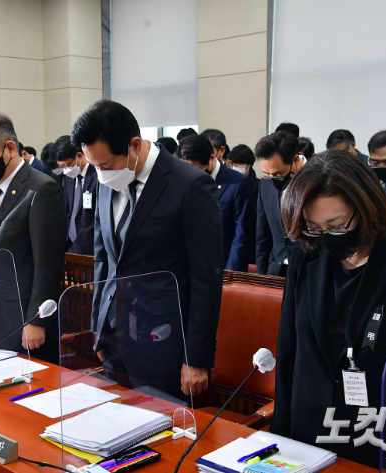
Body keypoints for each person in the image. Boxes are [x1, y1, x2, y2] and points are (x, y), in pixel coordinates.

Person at [273, 150, 386, 468]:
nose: (325, 237)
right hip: (310, 425)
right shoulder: (307, 256)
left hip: (379, 429)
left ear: (364, 207)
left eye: (337, 224)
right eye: (314, 227)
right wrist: (281, 435)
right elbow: (289, 348)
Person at [72, 100, 223, 398]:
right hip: (114, 339)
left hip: (164, 343)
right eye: (94, 166)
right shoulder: (107, 181)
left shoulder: (190, 185)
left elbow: (207, 279)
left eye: (105, 165)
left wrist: (196, 357)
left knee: (165, 437)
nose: (100, 174)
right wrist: (98, 329)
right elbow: (104, 259)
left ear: (135, 145)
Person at [0, 112, 66, 364]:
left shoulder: (41, 188)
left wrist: (37, 320)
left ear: (10, 148)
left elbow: (48, 264)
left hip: (23, 315)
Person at [178, 135, 254, 272]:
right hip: (191, 265)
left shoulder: (237, 182)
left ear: (212, 158)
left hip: (222, 265)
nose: (191, 175)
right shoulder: (182, 179)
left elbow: (241, 231)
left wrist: (232, 270)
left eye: (197, 169)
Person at [255, 131, 304, 276]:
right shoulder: (265, 185)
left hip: (307, 269)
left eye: (277, 174)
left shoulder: (316, 183)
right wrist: (262, 275)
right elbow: (262, 235)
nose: (272, 178)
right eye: (266, 173)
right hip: (277, 267)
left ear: (295, 160)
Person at [54, 135, 98, 256]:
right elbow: (68, 211)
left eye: (67, 165)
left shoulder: (98, 176)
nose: (65, 170)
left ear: (79, 156)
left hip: (91, 246)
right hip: (70, 244)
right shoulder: (69, 178)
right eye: (62, 167)